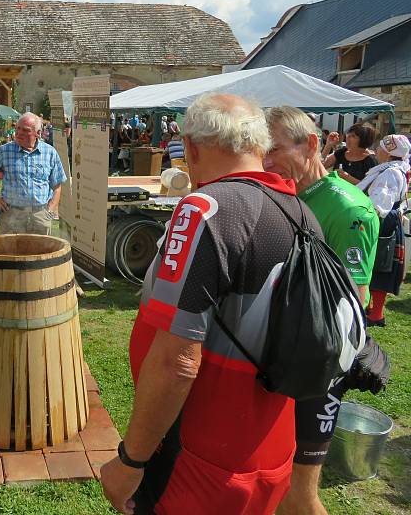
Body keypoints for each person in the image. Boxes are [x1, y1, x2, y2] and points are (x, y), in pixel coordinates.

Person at [101, 94, 322, 515]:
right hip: (269, 448)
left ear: (193, 147)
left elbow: (176, 363)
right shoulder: (301, 212)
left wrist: (132, 460)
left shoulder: (205, 210)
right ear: (258, 144)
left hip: (198, 458)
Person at [263, 106, 380, 515]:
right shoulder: (286, 193)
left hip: (317, 363)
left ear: (311, 144)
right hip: (282, 353)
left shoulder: (347, 209)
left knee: (300, 493)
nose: (265, 160)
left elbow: (352, 298)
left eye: (274, 149)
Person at [0, 112, 66, 235]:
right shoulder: (5, 151)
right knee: (8, 253)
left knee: (40, 252)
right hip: (11, 215)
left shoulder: (50, 152)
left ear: (38, 133)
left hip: (40, 215)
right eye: (17, 128)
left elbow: (57, 185)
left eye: (25, 130)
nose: (18, 133)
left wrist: (50, 210)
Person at [358, 134, 411, 327]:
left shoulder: (390, 173)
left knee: (380, 265)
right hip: (386, 219)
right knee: (377, 265)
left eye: (380, 148)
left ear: (389, 153)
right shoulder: (394, 169)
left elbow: (379, 204)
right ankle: (372, 308)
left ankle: (376, 315)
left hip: (382, 221)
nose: (377, 150)